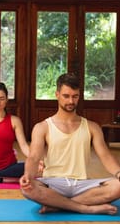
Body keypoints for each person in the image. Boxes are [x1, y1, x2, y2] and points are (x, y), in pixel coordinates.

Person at [20, 72, 120, 215]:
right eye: (66, 96)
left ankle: (57, 205)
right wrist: (28, 175)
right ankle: (86, 208)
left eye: (75, 96)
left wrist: (119, 173)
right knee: (27, 188)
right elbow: (34, 157)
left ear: (79, 96)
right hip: (53, 183)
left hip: (83, 184)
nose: (71, 101)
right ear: (57, 94)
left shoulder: (92, 127)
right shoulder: (42, 127)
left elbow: (105, 156)